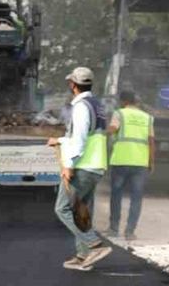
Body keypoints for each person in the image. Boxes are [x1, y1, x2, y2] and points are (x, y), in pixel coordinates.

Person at [46, 66, 112, 271]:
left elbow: (81, 139)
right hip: (95, 164)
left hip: (84, 165)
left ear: (73, 85)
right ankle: (83, 256)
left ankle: (94, 245)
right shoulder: (97, 105)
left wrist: (69, 164)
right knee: (80, 210)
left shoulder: (82, 107)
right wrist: (59, 140)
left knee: (63, 208)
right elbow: (85, 136)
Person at [106, 90, 155, 241]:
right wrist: (151, 162)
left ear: (123, 101)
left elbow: (113, 129)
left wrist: (98, 132)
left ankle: (114, 229)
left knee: (116, 195)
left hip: (121, 160)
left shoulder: (119, 113)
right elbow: (151, 141)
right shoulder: (147, 118)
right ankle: (130, 231)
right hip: (140, 163)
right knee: (136, 197)